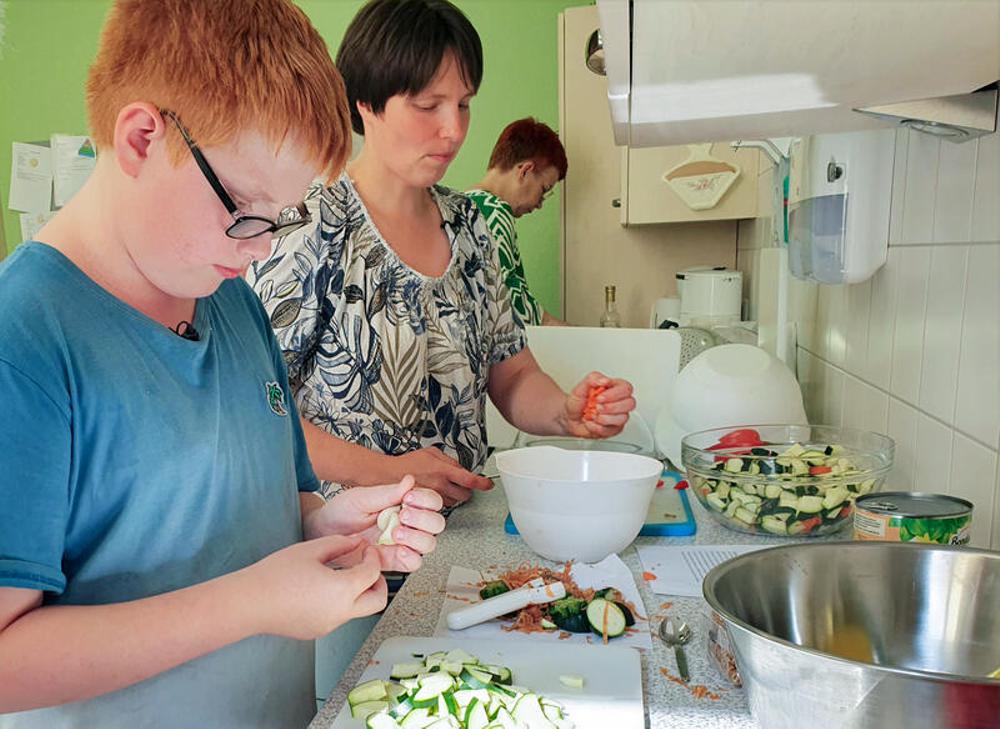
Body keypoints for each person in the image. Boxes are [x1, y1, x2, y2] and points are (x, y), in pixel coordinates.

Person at [0, 2, 444, 727]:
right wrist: (253, 602)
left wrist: (327, 524)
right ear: (143, 137)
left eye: (280, 216)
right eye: (243, 206)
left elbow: (270, 508)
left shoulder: (229, 299)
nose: (261, 246)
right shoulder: (24, 338)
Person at [249, 0, 636, 508]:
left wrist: (565, 413)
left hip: (459, 534)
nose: (453, 130)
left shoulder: (470, 224)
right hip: (353, 545)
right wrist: (390, 473)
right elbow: (260, 406)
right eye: (428, 106)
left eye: (464, 104)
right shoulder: (313, 221)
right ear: (366, 102)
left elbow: (513, 374)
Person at [468, 117, 568, 326]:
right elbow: (508, 301)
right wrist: (566, 331)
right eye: (544, 189)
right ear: (525, 171)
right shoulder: (495, 213)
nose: (540, 204)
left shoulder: (463, 205)